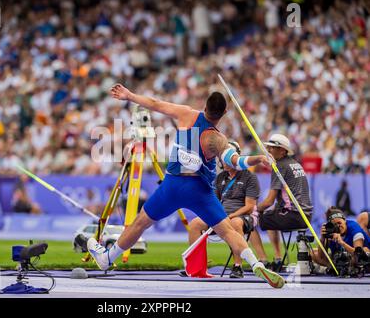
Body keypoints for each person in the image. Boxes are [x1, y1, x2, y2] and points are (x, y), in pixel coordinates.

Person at [88, 83, 285, 288]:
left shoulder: (186, 114)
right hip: (200, 191)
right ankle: (254, 264)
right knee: (228, 231)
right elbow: (235, 161)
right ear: (224, 112)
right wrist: (259, 158)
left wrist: (129, 95)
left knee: (140, 224)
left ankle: (107, 258)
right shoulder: (217, 139)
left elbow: (155, 104)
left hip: (173, 185)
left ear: (205, 106)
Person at [188, 141, 261, 278]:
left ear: (237, 159)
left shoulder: (250, 177)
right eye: (222, 159)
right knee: (194, 224)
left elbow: (249, 207)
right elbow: (213, 201)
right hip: (222, 215)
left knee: (235, 223)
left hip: (244, 216)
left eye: (228, 159)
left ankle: (237, 267)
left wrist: (231, 215)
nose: (224, 162)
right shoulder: (219, 177)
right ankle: (196, 266)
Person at [254, 134, 313, 271]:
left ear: (282, 150)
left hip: (294, 215)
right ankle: (278, 257)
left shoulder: (279, 166)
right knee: (270, 215)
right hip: (305, 215)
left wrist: (254, 209)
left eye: (272, 147)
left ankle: (265, 259)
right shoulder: (295, 164)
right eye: (268, 147)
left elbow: (269, 201)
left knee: (254, 218)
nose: (268, 150)